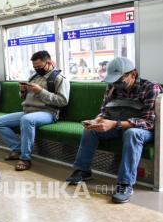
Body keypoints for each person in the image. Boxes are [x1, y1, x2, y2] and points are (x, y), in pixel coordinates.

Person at [66, 57, 162, 203]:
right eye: (113, 81)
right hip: (116, 124)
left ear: (133, 74)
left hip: (142, 129)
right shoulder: (113, 88)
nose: (116, 84)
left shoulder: (150, 88)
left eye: (119, 80)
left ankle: (125, 184)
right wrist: (96, 121)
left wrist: (115, 124)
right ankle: (83, 170)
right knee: (90, 130)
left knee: (132, 133)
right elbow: (105, 111)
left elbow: (149, 122)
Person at [0, 51, 70, 171]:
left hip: (48, 113)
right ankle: (18, 148)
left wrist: (41, 91)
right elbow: (24, 97)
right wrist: (23, 91)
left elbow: (63, 101)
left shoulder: (59, 79)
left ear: (48, 63)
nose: (37, 69)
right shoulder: (34, 77)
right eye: (34, 67)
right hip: (28, 111)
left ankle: (25, 158)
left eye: (39, 67)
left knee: (26, 119)